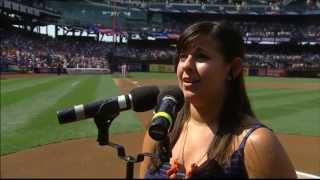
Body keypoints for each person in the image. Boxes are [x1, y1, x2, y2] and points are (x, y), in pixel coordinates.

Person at [139, 21, 297, 178]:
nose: (186, 65)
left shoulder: (257, 143)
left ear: (233, 68)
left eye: (201, 57)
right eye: (182, 56)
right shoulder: (160, 129)